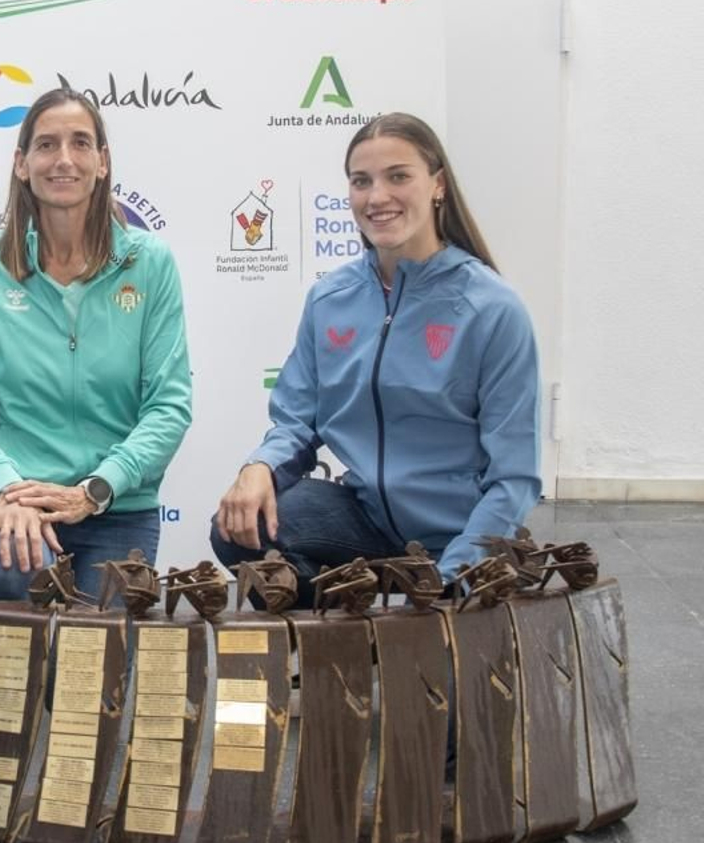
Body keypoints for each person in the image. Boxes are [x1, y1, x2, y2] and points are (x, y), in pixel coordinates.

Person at [211, 112, 540, 607]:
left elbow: (514, 477)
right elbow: (296, 420)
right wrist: (260, 467)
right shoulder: (331, 298)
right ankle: (344, 652)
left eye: (398, 176)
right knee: (238, 528)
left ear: (437, 185)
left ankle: (401, 637)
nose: (377, 197)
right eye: (361, 181)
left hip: (461, 530)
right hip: (366, 518)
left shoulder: (492, 309)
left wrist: (452, 577)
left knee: (434, 644)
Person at [0, 87, 193, 720]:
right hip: (8, 491)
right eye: (46, 144)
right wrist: (8, 490)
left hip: (114, 502)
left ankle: (50, 658)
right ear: (22, 163)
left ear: (103, 162)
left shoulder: (150, 263)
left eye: (81, 143)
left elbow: (169, 405)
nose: (64, 159)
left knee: (94, 692)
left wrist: (97, 489)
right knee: (11, 565)